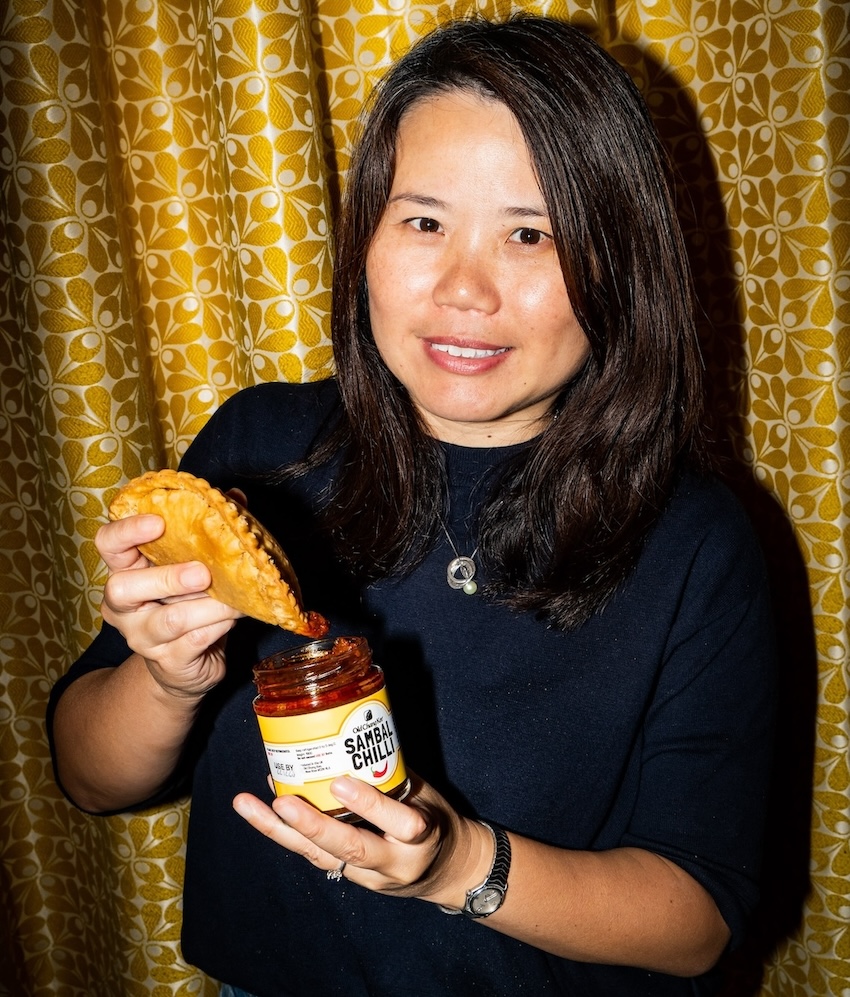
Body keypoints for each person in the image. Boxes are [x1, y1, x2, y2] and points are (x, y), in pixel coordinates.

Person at [47, 14, 776, 997]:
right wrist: (168, 679)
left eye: (530, 234)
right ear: (365, 242)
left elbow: (696, 920)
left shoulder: (694, 540)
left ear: (615, 260)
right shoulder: (259, 453)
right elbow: (89, 779)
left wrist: (455, 865)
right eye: (423, 221)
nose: (464, 289)